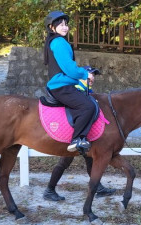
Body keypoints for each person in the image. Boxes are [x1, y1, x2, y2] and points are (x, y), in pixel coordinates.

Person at [43, 68, 116, 201]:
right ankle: (49, 190)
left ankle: (98, 187)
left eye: (94, 76)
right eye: (90, 75)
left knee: (89, 160)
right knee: (64, 162)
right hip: (73, 134)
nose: (93, 78)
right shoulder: (75, 88)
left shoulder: (87, 91)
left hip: (84, 135)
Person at [44, 10, 94, 154]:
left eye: (66, 24)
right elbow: (69, 68)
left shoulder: (54, 41)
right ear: (52, 27)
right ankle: (77, 139)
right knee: (88, 106)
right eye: (60, 24)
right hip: (61, 86)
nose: (65, 27)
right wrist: (85, 74)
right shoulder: (59, 42)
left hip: (61, 84)